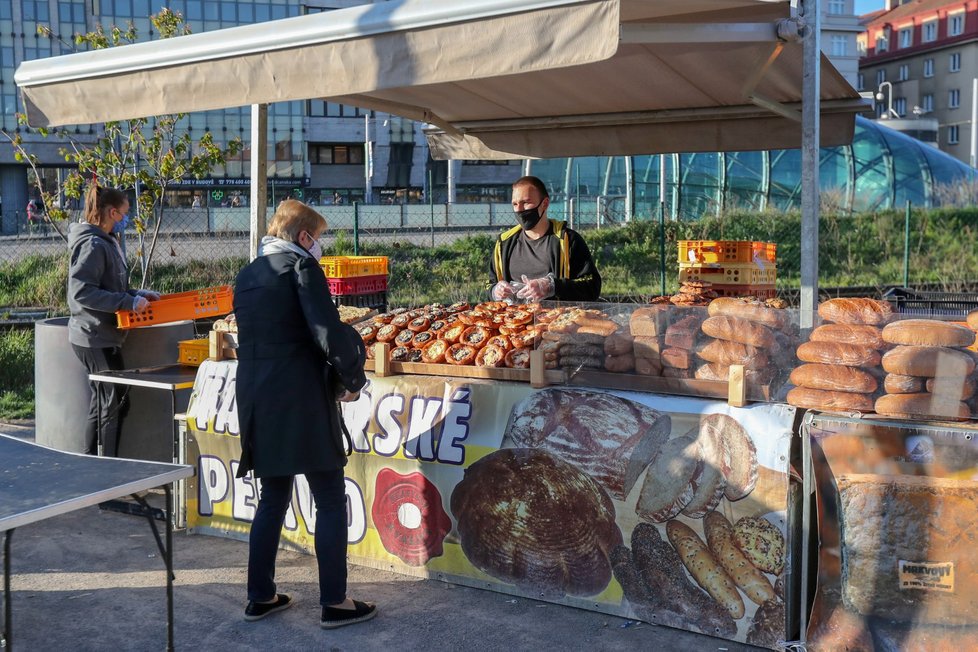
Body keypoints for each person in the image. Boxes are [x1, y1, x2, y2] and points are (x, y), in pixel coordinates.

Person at [233, 199, 377, 629]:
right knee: (329, 498)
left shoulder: (248, 274)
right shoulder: (300, 269)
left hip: (258, 397)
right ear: (303, 237)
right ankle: (335, 602)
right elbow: (325, 332)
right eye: (319, 238)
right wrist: (352, 379)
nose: (321, 247)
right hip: (301, 395)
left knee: (273, 497)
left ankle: (261, 596)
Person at [67, 185, 160, 457]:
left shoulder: (105, 240)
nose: (126, 219)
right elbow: (82, 291)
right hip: (94, 336)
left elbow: (108, 285)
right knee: (115, 405)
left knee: (107, 403)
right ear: (111, 212)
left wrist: (135, 294)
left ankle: (93, 466)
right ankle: (105, 474)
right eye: (125, 213)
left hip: (99, 334)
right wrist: (126, 302)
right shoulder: (94, 244)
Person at [487, 175, 601, 302]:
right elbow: (490, 285)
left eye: (526, 203)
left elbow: (592, 287)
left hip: (556, 319)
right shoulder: (504, 244)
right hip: (513, 320)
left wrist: (552, 286)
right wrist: (495, 291)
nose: (519, 209)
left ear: (545, 204)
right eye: (515, 204)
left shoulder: (568, 241)